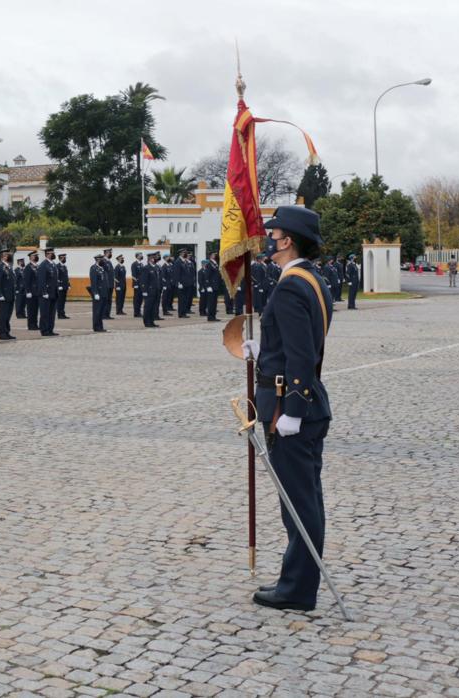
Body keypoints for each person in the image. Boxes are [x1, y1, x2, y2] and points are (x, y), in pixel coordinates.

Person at [242, 204, 333, 613]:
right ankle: (296, 578)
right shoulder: (310, 279)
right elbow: (295, 345)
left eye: (273, 232)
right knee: (303, 498)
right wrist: (263, 352)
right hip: (298, 403)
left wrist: (291, 410)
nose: (268, 238)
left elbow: (302, 355)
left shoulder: (293, 284)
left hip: (290, 410)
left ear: (288, 239)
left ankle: (297, 590)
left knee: (298, 502)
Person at [0, 249, 16, 340]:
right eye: (7, 254)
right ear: (3, 256)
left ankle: (7, 332)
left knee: (8, 315)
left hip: (10, 295)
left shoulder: (9, 267)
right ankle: (2, 333)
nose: (9, 255)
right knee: (3, 315)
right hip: (4, 296)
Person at [37, 249, 59, 336]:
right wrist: (44, 292)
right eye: (52, 253)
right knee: (45, 313)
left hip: (53, 293)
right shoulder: (43, 265)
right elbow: (41, 280)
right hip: (46, 293)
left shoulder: (53, 264)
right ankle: (44, 330)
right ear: (47, 254)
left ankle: (50, 329)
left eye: (53, 253)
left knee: (52, 313)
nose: (53, 254)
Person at [141, 251, 162, 328]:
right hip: (149, 291)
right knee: (148, 307)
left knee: (154, 307)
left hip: (156, 290)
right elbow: (143, 280)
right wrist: (144, 291)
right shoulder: (146, 268)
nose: (156, 258)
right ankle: (147, 322)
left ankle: (152, 321)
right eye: (154, 257)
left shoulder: (156, 267)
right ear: (150, 258)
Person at [89, 253, 107, 332]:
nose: (104, 261)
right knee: (97, 311)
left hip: (103, 292)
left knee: (101, 311)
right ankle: (96, 327)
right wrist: (95, 293)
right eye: (102, 259)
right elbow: (94, 282)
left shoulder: (102, 268)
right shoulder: (93, 268)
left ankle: (100, 326)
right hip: (98, 293)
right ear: (98, 259)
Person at [200, 252, 221, 322]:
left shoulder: (215, 264)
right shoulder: (209, 264)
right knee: (211, 302)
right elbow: (206, 276)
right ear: (210, 256)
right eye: (214, 254)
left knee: (214, 302)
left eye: (215, 254)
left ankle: (213, 316)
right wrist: (208, 286)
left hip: (215, 286)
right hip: (211, 286)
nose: (215, 255)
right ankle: (210, 317)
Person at [100, 248, 116, 319]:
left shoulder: (109, 261)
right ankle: (104, 314)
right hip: (106, 284)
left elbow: (111, 273)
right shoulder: (103, 261)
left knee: (109, 300)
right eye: (110, 252)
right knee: (105, 300)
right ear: (106, 253)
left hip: (110, 284)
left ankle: (107, 314)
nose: (110, 254)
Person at [55, 251, 71, 320]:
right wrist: (59, 285)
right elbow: (56, 277)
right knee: (60, 301)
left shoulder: (64, 266)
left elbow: (66, 277)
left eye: (65, 258)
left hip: (65, 286)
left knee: (63, 301)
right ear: (60, 258)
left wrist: (68, 284)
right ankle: (60, 314)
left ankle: (62, 313)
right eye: (64, 258)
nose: (65, 259)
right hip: (60, 287)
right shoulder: (57, 266)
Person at [131, 252, 144, 318]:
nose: (142, 256)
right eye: (140, 255)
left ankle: (139, 311)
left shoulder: (141, 264)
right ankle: (136, 312)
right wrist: (135, 284)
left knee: (140, 299)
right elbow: (133, 275)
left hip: (141, 284)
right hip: (137, 284)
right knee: (136, 299)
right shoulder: (134, 264)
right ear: (137, 256)